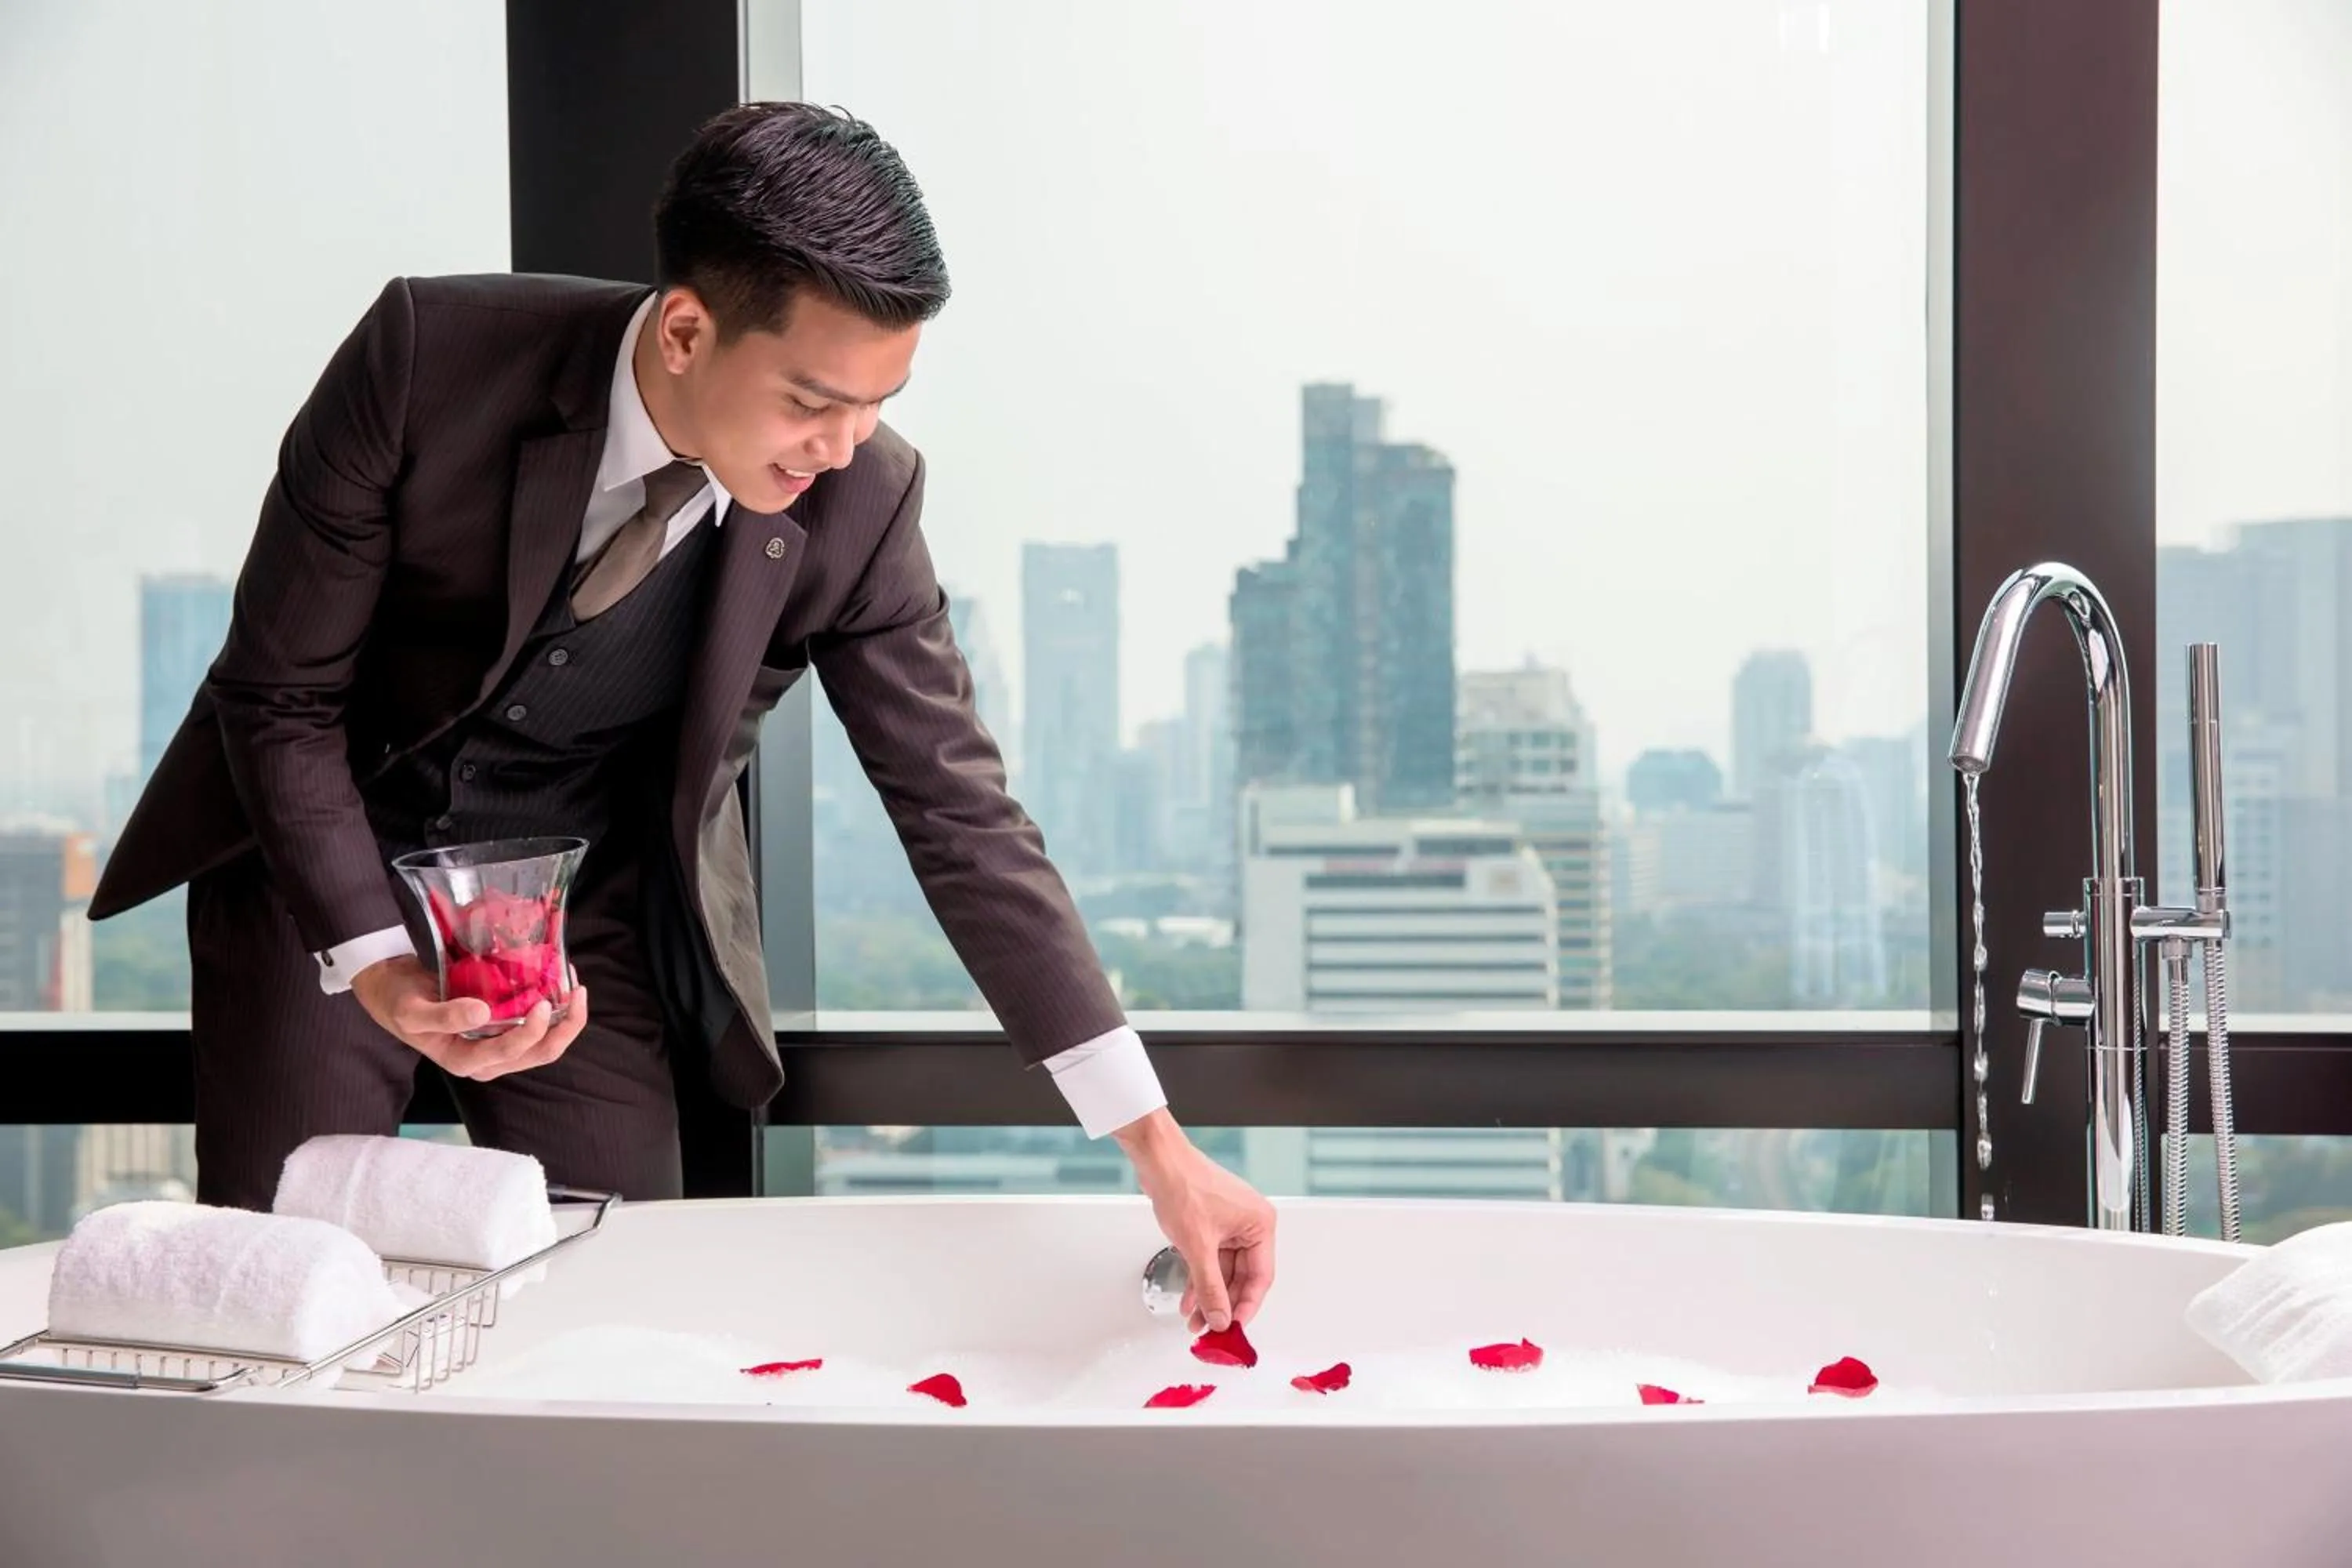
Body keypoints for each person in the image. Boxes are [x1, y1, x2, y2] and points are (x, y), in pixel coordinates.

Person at [91, 100, 1276, 1334]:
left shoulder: (865, 499)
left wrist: (1154, 1140)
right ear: (686, 329)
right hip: (319, 861)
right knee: (282, 1274)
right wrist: (377, 962)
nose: (844, 444)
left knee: (619, 1287)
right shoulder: (422, 360)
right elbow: (278, 699)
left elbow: (960, 812)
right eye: (814, 401)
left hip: (585, 895)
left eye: (879, 401)